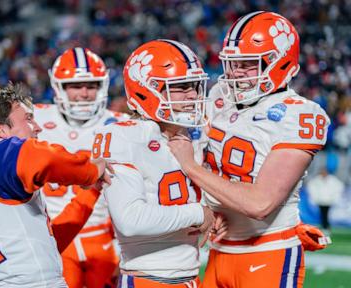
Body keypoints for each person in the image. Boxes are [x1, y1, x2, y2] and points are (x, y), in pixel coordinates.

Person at [168, 11, 330, 288]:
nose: (235, 72)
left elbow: (259, 204)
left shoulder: (301, 114)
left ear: (279, 62)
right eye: (232, 63)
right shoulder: (219, 95)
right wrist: (210, 207)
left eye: (248, 64)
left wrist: (191, 167)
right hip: (219, 250)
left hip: (268, 250)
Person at [92, 39, 227, 288]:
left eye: (195, 86)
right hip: (149, 279)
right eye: (181, 87)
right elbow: (130, 220)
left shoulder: (193, 135)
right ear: (147, 90)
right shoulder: (125, 136)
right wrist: (198, 212)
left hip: (190, 275)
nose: (194, 95)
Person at [0, 83, 112, 288]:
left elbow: (48, 244)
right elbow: (44, 158)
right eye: (28, 118)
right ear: (0, 130)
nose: (38, 126)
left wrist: (91, 193)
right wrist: (91, 169)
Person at [34, 47, 128, 288]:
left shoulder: (118, 124)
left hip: (102, 237)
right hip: (53, 236)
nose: (84, 94)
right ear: (59, 88)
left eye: (92, 85)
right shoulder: (34, 120)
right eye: (75, 86)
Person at [306, 167, 344, 233]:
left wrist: (334, 196)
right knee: (323, 214)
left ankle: (326, 227)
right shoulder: (316, 180)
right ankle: (325, 227)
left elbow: (339, 187)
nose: (323, 173)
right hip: (320, 200)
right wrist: (315, 197)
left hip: (329, 201)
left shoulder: (332, 180)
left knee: (325, 214)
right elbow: (311, 188)